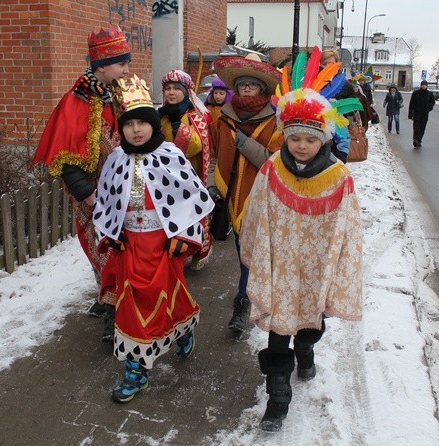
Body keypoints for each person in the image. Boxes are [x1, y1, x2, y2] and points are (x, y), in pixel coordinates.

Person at [239, 85, 363, 432]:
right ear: (286, 137)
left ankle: (306, 350)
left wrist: (339, 266)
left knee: (310, 323)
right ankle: (278, 398)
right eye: (295, 139)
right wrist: (258, 254)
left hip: (315, 271)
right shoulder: (271, 169)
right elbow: (255, 214)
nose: (301, 146)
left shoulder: (338, 176)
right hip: (281, 268)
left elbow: (349, 229)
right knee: (278, 333)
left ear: (323, 139)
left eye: (310, 139)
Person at [93, 76, 214, 402]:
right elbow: (106, 201)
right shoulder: (116, 159)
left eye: (142, 123)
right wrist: (110, 233)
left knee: (170, 296)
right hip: (130, 246)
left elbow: (192, 199)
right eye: (129, 124)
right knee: (131, 305)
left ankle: (184, 328)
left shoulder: (170, 155)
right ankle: (136, 370)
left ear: (151, 125)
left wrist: (185, 237)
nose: (136, 130)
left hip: (163, 245)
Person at [31, 25, 131, 341]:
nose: (127, 69)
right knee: (106, 252)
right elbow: (63, 158)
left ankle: (110, 299)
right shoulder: (76, 103)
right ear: (102, 65)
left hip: (121, 188)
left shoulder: (118, 93)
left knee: (122, 249)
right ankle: (113, 315)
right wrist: (87, 194)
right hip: (93, 195)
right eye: (122, 63)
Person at [207, 54, 284, 333]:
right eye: (242, 85)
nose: (247, 90)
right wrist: (211, 185)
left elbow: (272, 161)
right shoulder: (221, 122)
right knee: (244, 255)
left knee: (253, 254)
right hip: (231, 202)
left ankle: (245, 302)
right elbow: (214, 157)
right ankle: (245, 296)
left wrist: (242, 142)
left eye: (252, 85)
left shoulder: (276, 124)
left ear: (262, 89)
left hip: (263, 201)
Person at [158, 69, 214, 270]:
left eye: (176, 89)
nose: (171, 92)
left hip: (190, 177)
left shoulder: (195, 117)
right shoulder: (161, 115)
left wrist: (176, 126)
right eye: (167, 89)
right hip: (165, 178)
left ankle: (194, 250)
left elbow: (194, 146)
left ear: (186, 91)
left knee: (190, 218)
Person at [408, 80, 435, 148]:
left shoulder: (429, 94)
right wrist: (410, 114)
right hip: (417, 113)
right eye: (422, 85)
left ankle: (419, 140)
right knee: (416, 127)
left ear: (426, 86)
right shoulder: (415, 93)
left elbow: (433, 102)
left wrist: (429, 107)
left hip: (424, 114)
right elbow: (411, 104)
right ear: (421, 85)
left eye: (425, 85)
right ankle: (415, 140)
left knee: (422, 128)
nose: (423, 86)